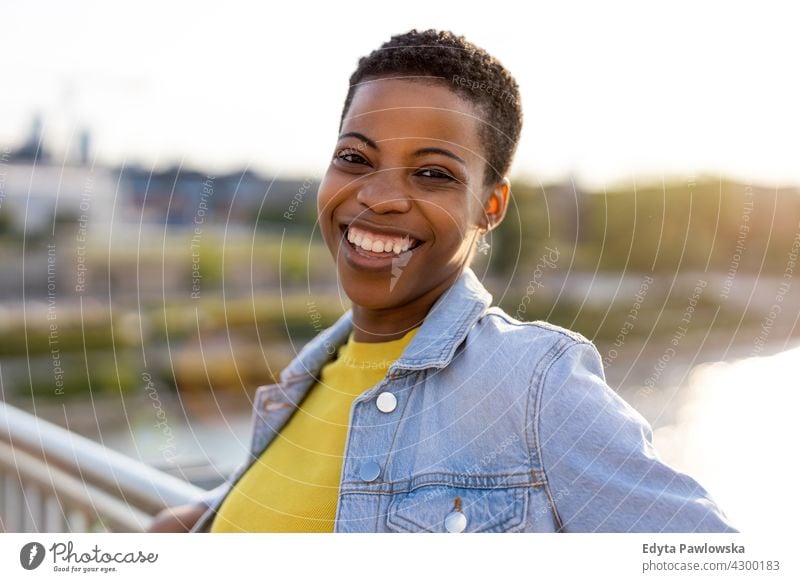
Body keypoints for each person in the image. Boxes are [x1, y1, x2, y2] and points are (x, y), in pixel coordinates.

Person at [149, 29, 737, 533]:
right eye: (355, 158)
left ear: (491, 206)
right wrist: (200, 521)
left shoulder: (533, 383)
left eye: (433, 173)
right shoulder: (312, 370)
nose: (377, 198)